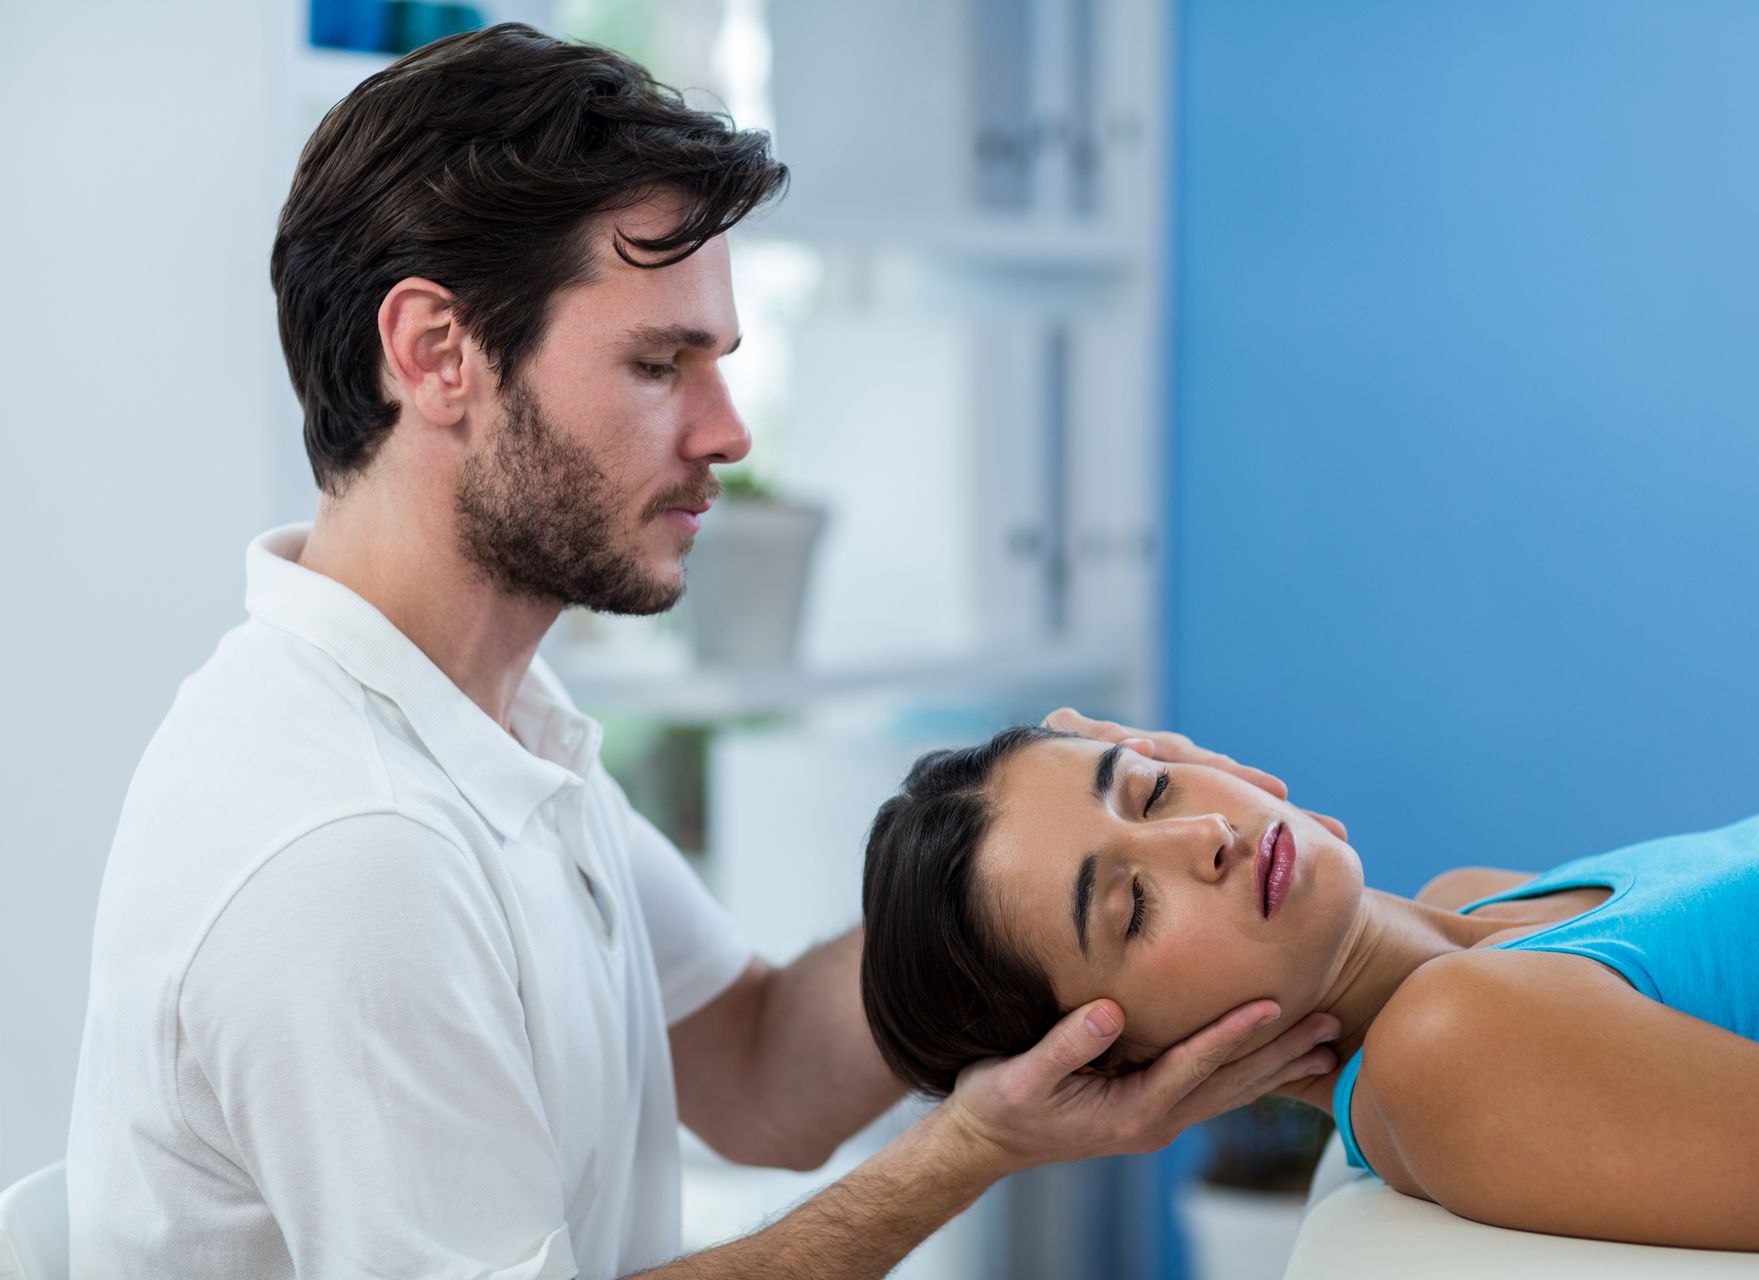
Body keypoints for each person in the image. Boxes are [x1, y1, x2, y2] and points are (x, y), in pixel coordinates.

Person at [62, 23, 1343, 1280]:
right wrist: (969, 1150)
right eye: (659, 364)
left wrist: (1040, 833)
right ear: (434, 352)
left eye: (718, 361)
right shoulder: (352, 851)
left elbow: (758, 1069)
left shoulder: (489, 720)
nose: (728, 432)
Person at [860, 723, 1759, 1260]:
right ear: (1120, 1063)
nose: (1203, 836)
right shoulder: (1454, 1047)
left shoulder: (1479, 909)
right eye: (1129, 908)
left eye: (1151, 784)